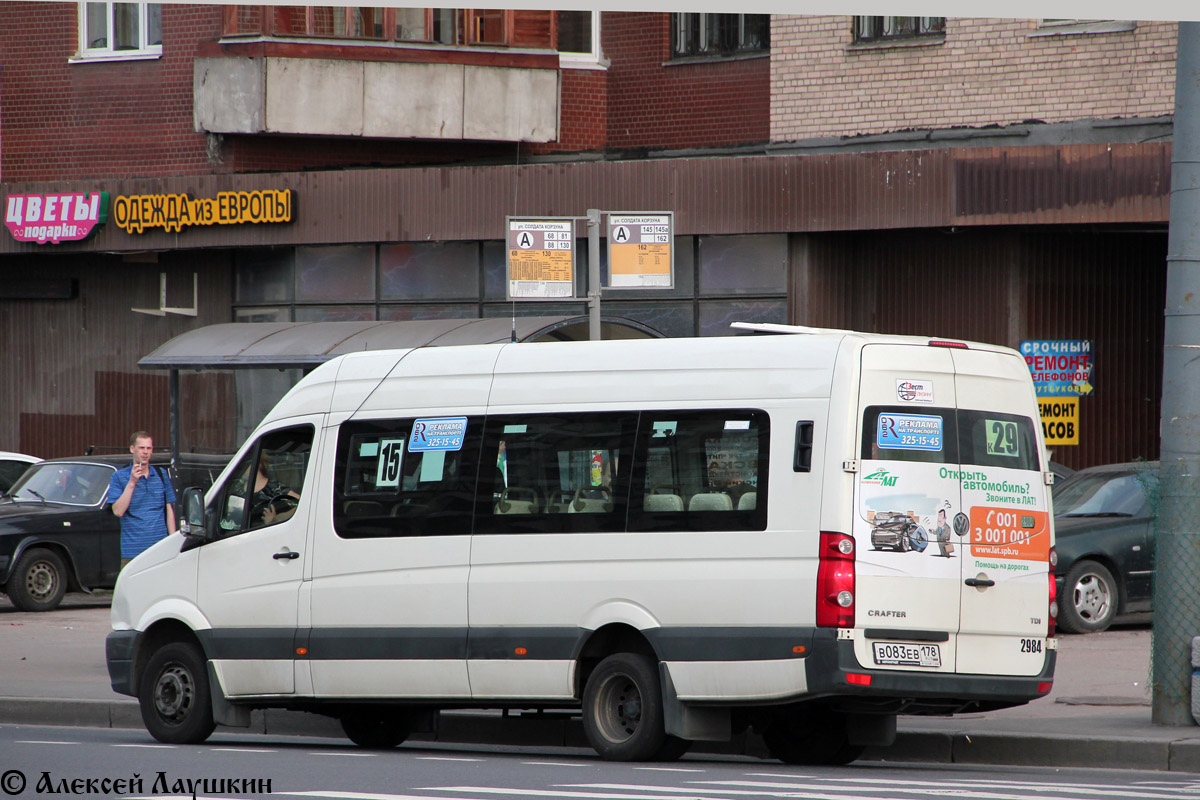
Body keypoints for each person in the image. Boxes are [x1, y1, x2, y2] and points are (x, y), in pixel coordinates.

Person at [108, 431, 176, 569]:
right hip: (133, 551)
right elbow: (118, 511)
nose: (145, 452)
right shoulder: (119, 477)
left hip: (159, 549)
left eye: (149, 448)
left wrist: (173, 541)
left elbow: (169, 510)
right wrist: (132, 482)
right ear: (132, 449)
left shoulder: (161, 475)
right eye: (141, 448)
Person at [251, 451, 300, 527]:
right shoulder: (237, 488)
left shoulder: (274, 487)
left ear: (258, 465)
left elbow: (303, 504)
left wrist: (276, 518)